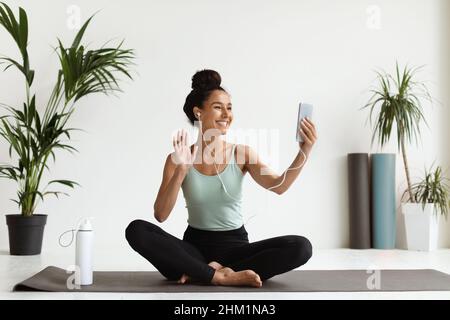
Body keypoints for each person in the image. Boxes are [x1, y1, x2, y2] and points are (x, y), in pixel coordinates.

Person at [126, 70, 318, 287]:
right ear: (198, 112)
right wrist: (182, 169)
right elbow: (160, 215)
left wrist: (305, 150)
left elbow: (279, 186)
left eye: (229, 107)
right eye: (218, 107)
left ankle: (202, 272)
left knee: (301, 247)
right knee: (137, 230)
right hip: (193, 250)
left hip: (236, 250)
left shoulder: (242, 154)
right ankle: (219, 275)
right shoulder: (176, 159)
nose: (227, 114)